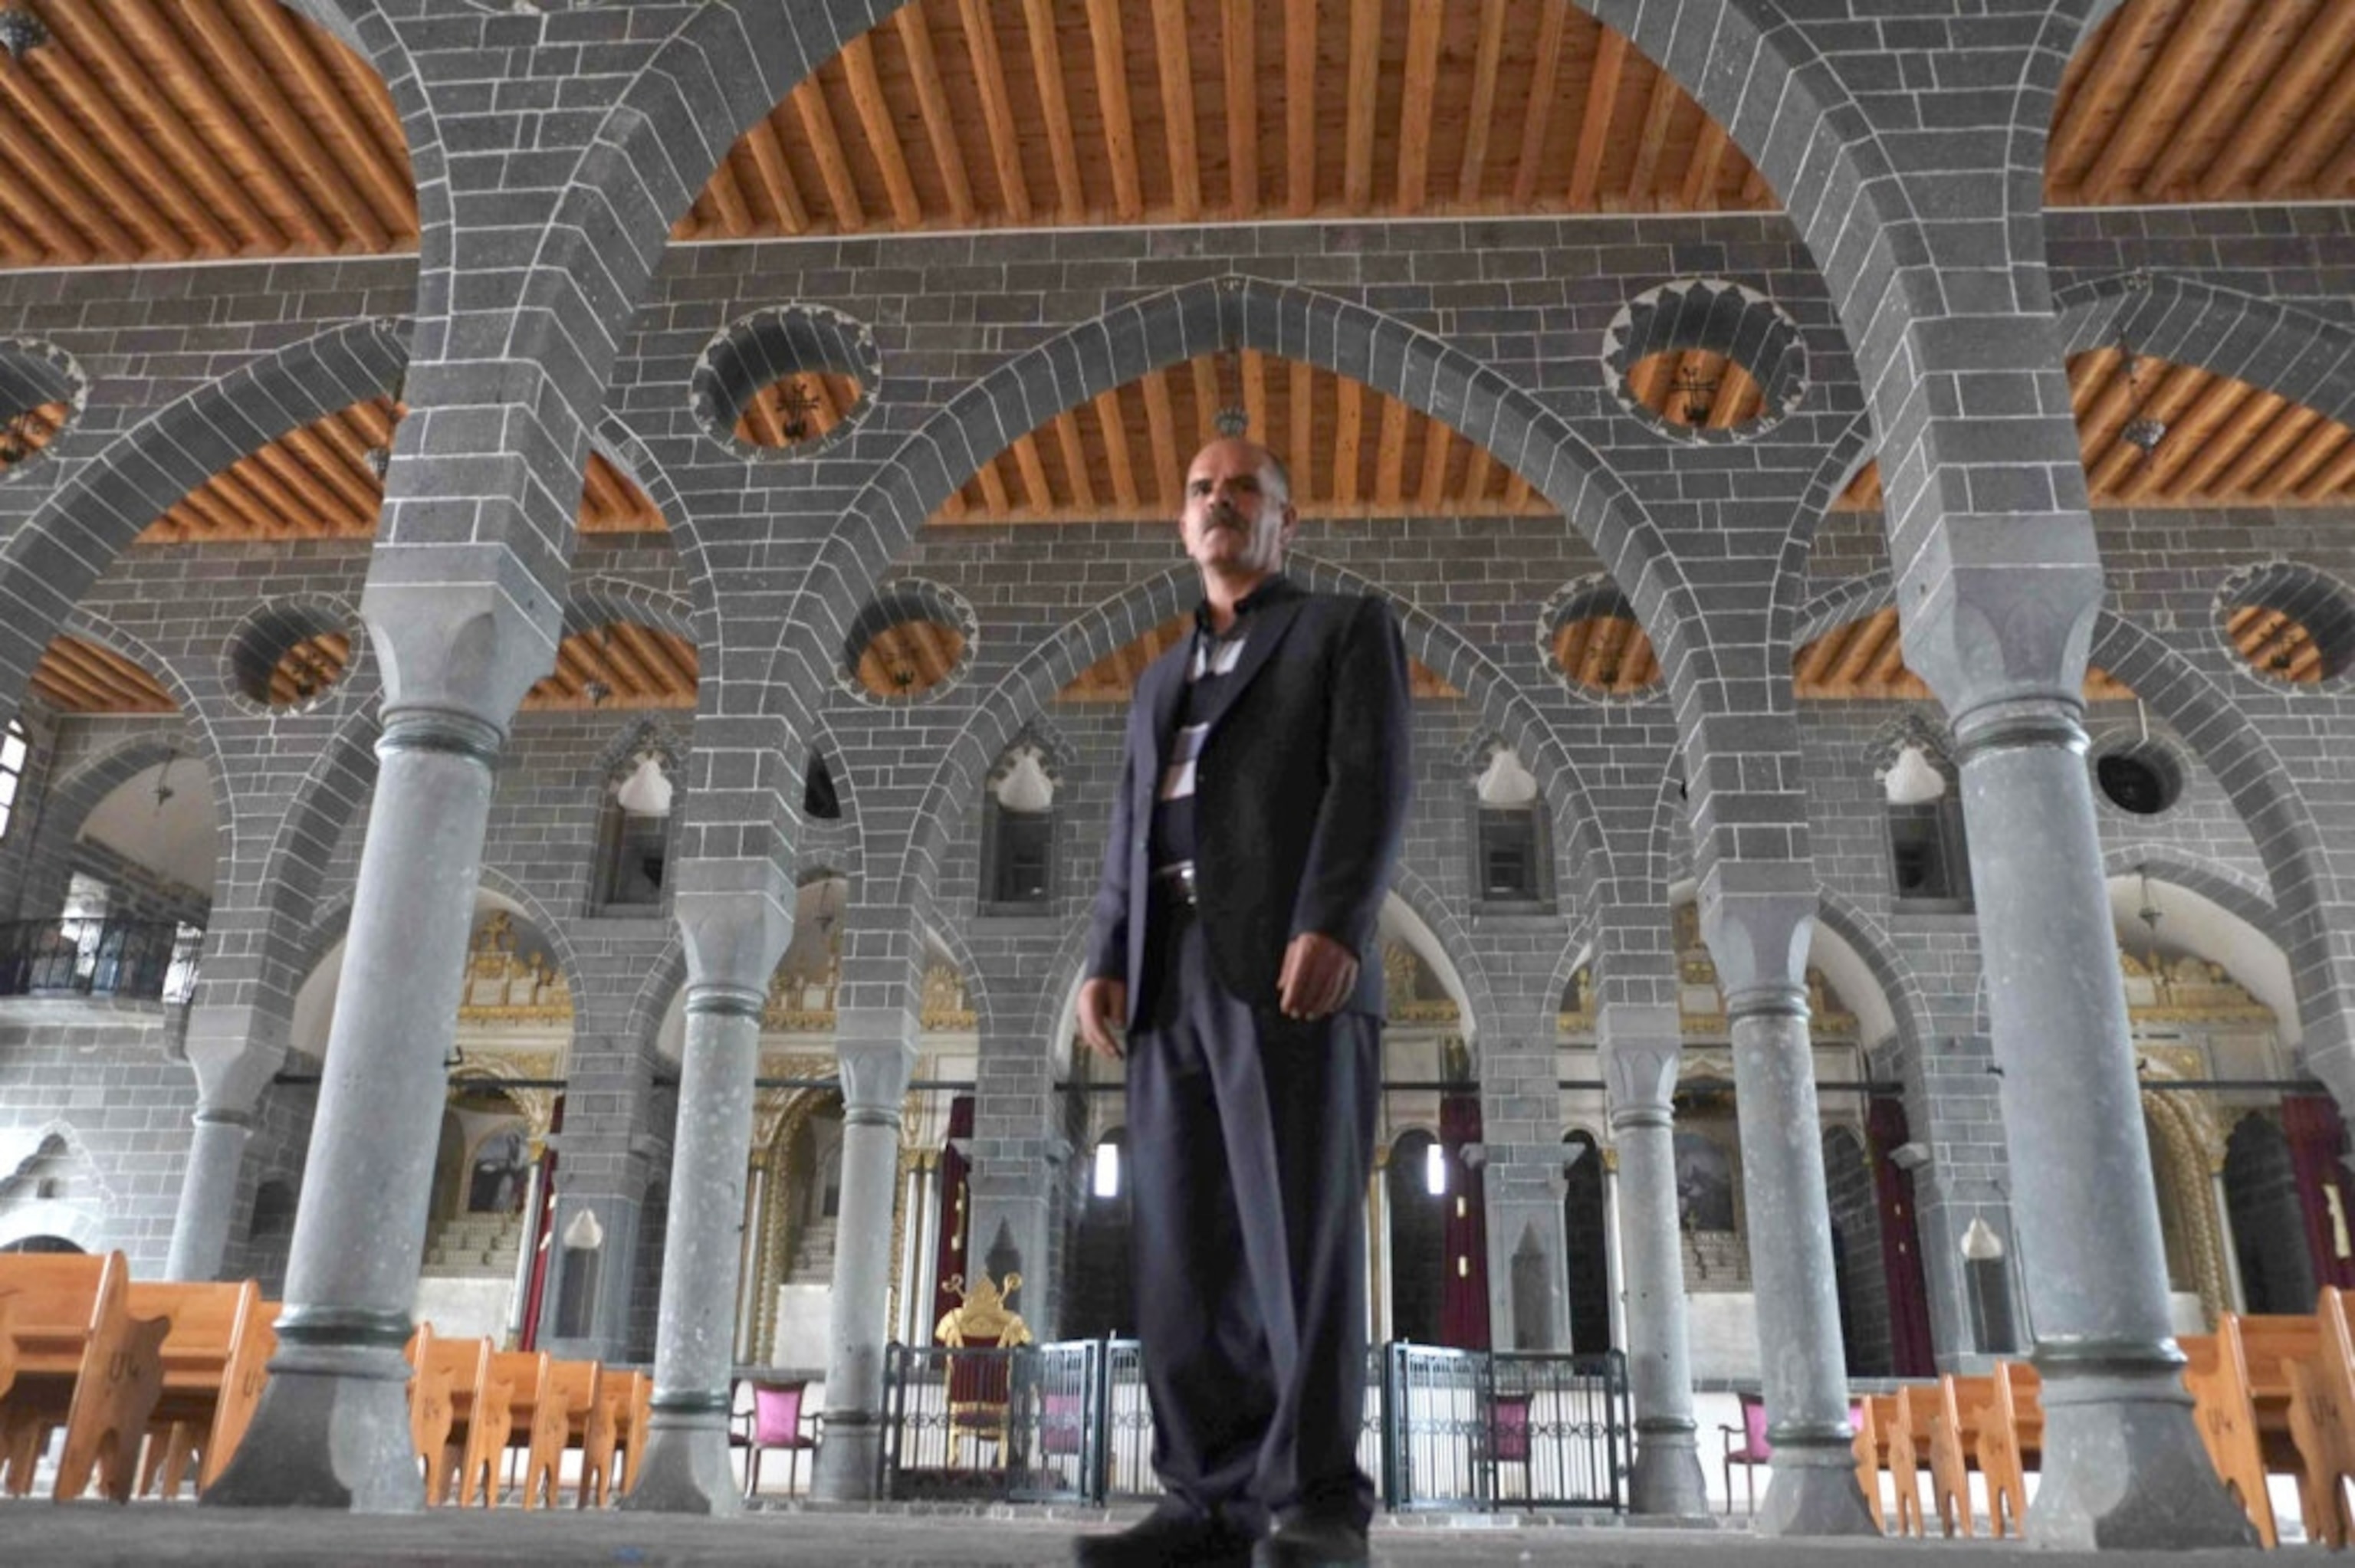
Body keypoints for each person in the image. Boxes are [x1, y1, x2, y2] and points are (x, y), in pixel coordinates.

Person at [1072, 438, 1411, 1568]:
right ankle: (1207, 1504)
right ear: (1184, 525)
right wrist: (1107, 952)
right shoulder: (1156, 682)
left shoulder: (1342, 630)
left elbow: (1370, 781)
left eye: (1244, 489)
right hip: (1168, 976)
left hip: (1286, 968)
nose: (1220, 502)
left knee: (1295, 1238)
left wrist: (1335, 922)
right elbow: (1131, 828)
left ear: (1285, 520)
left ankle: (1319, 1501)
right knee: (1184, 1249)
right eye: (1202, 491)